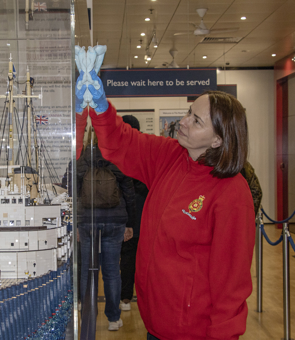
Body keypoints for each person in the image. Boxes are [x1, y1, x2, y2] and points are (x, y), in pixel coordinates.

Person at [75, 64, 256, 340]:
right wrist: (100, 104)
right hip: (155, 326)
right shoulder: (171, 156)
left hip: (192, 333)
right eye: (188, 113)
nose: (183, 122)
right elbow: (122, 142)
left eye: (196, 121)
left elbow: (231, 285)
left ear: (218, 139)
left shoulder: (231, 192)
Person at [76, 128, 136, 331]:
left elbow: (74, 190)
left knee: (87, 271)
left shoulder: (83, 158)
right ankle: (113, 319)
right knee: (111, 271)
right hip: (114, 220)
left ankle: (87, 317)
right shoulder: (118, 157)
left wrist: (76, 223)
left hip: (87, 221)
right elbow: (129, 192)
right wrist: (130, 224)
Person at [119, 115, 149, 312]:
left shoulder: (119, 153)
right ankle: (148, 298)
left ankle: (125, 298)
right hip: (146, 213)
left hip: (127, 213)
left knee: (127, 257)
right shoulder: (147, 151)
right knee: (147, 259)